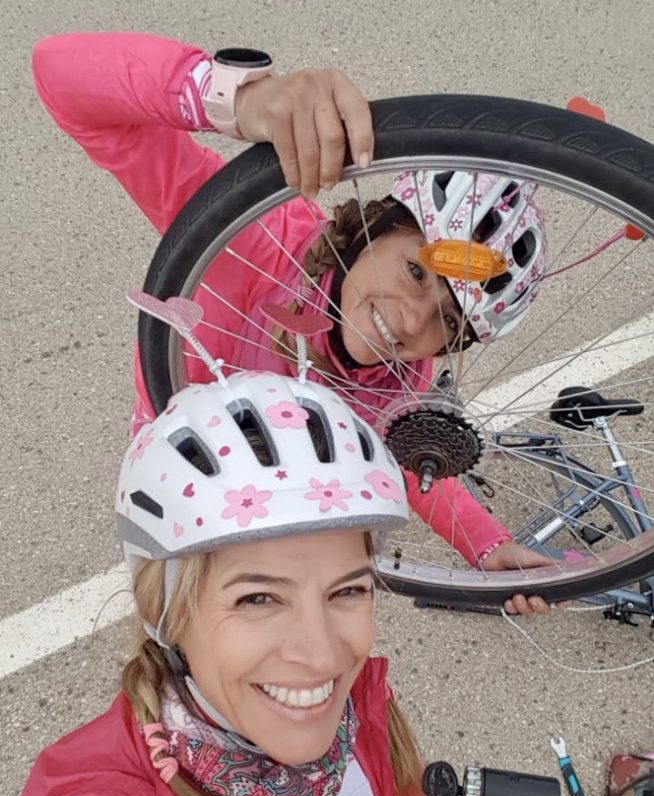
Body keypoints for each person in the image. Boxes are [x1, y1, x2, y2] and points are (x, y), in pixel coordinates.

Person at [0, 370, 545, 796]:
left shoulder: (359, 717)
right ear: (167, 615)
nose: (321, 655)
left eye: (348, 590)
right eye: (258, 598)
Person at [32, 32, 554, 615]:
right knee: (175, 623)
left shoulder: (403, 374)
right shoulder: (250, 237)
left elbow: (402, 455)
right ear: (375, 228)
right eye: (416, 270)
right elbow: (58, 74)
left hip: (283, 519)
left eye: (448, 319)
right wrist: (237, 99)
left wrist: (487, 544)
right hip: (180, 481)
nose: (413, 318)